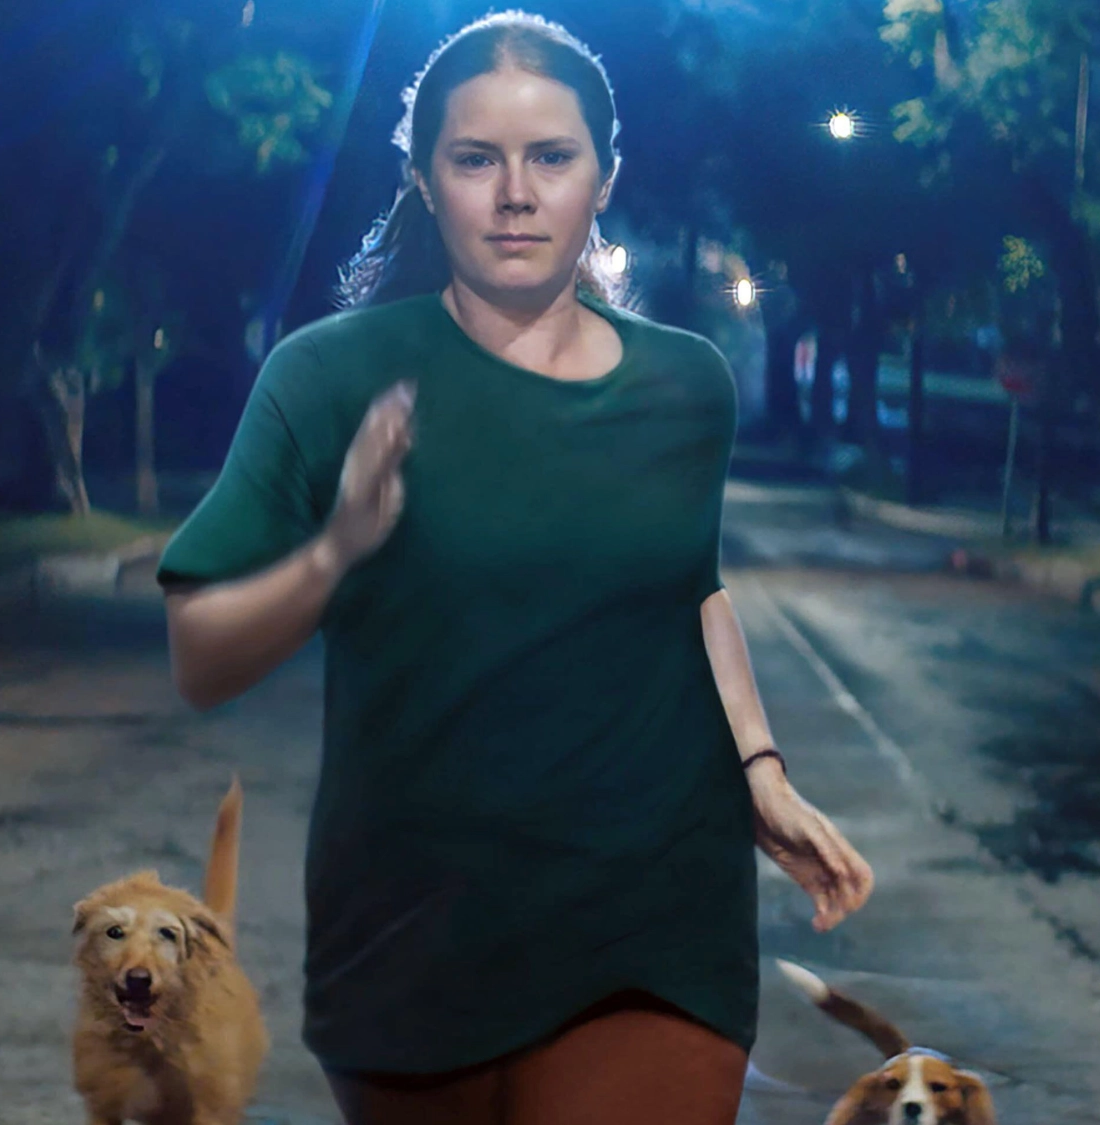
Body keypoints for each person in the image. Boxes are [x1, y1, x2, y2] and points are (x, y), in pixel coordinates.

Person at [156, 11, 874, 1123]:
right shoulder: (327, 378)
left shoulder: (686, 386)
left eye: (551, 156)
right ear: (424, 179)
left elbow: (689, 590)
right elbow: (201, 656)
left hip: (656, 919)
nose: (515, 194)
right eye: (475, 159)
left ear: (603, 178)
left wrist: (761, 771)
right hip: (411, 932)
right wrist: (334, 552)